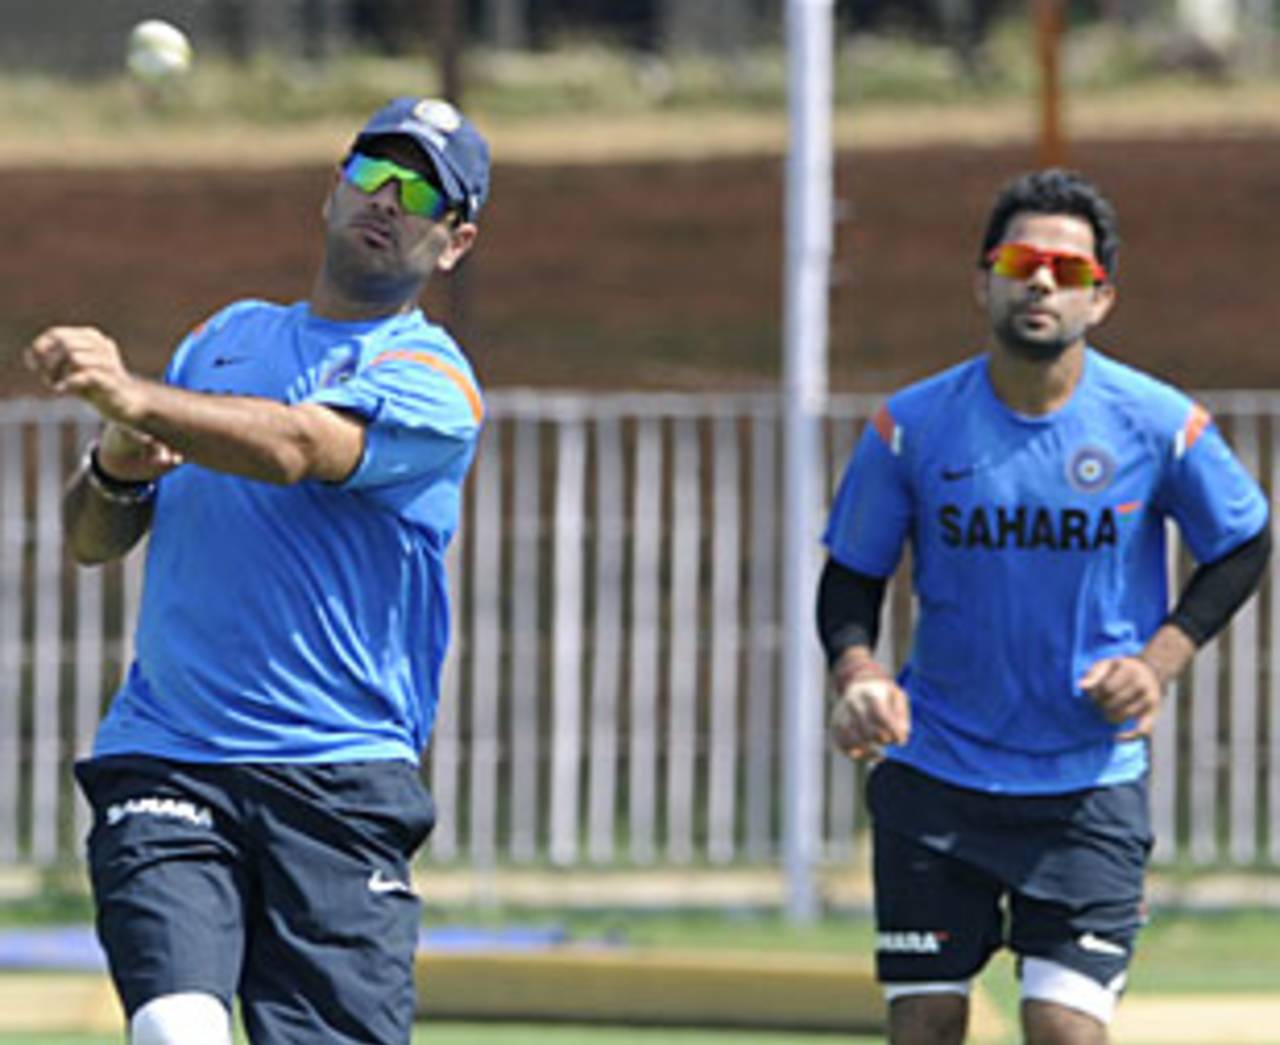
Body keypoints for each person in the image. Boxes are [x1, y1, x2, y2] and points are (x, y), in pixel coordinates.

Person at [25, 96, 489, 1045]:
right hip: (169, 755)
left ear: (454, 243)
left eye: (419, 193)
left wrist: (133, 395)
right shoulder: (224, 337)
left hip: (339, 781)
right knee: (174, 1031)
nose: (386, 201)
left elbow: (295, 447)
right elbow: (92, 539)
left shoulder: (433, 379)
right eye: (372, 174)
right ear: (334, 191)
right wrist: (115, 462)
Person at [818, 168, 1270, 1045]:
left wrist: (1158, 661)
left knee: (1064, 1029)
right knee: (925, 1026)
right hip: (936, 770)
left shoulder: (1156, 422)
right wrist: (859, 671)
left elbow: (1245, 541)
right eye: (1021, 262)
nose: (1040, 282)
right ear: (981, 280)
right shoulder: (908, 427)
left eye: (1068, 272)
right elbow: (851, 575)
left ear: (1101, 301)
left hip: (1086, 786)